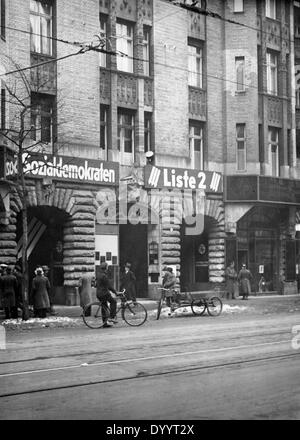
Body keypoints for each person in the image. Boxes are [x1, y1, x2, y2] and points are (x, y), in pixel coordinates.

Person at [96, 262, 118, 327]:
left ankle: (105, 323)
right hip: (104, 294)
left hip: (98, 294)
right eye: (107, 267)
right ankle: (111, 318)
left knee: (104, 307)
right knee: (114, 302)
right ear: (106, 268)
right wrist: (115, 292)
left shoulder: (99, 274)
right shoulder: (104, 276)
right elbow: (109, 286)